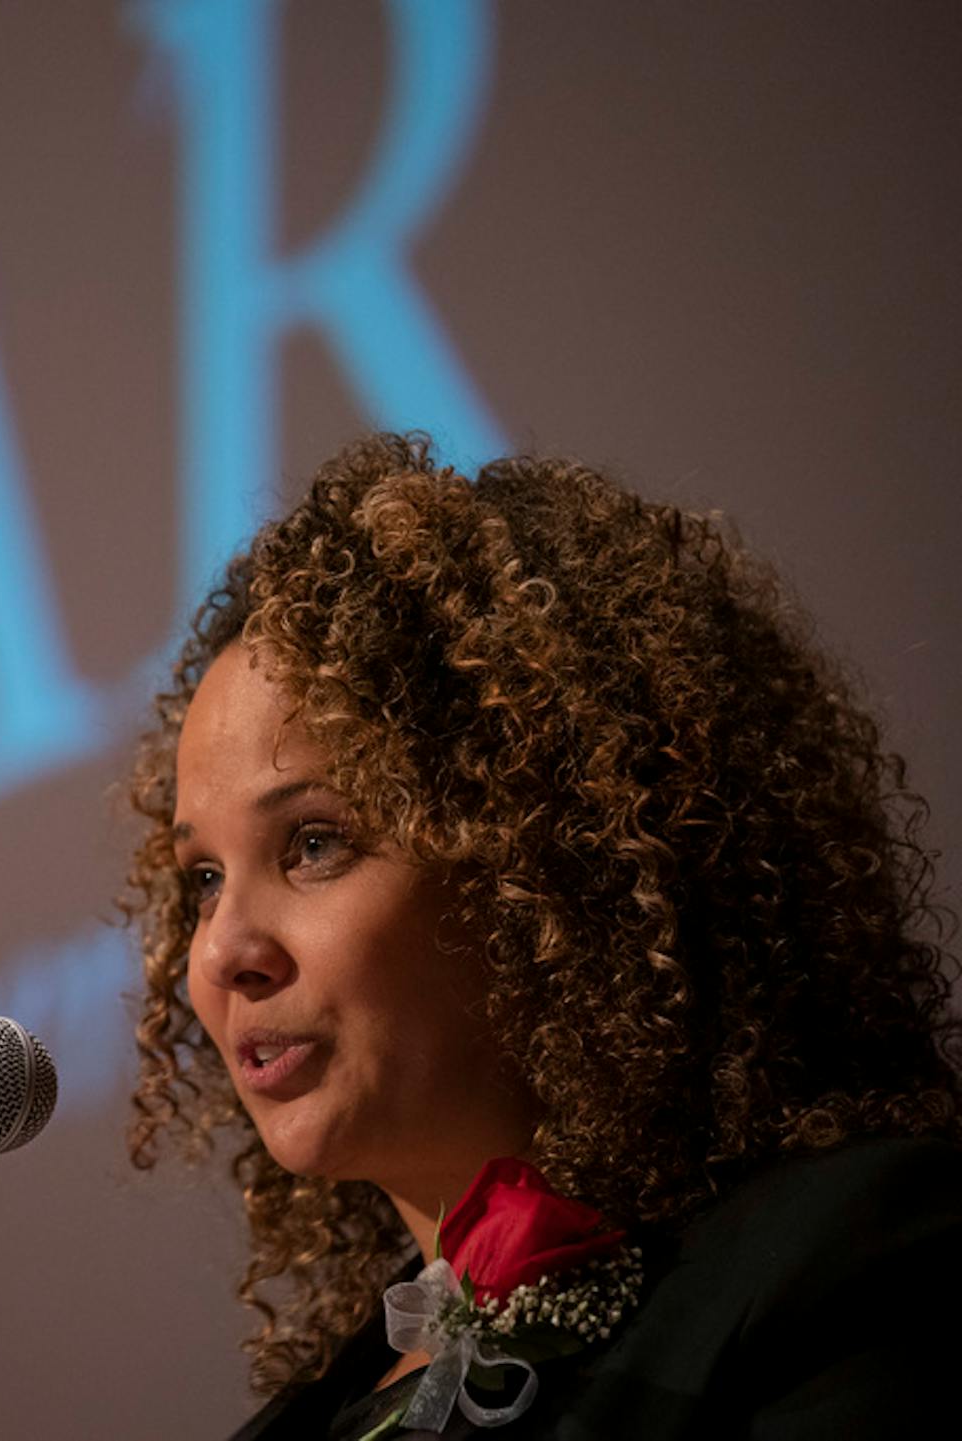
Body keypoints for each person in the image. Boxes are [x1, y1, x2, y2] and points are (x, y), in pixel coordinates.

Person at [120, 434, 962, 1438]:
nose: (220, 952)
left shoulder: (843, 1267)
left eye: (312, 842)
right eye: (204, 878)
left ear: (548, 855)